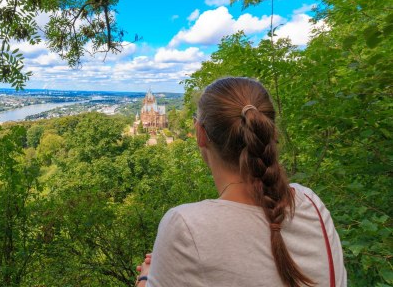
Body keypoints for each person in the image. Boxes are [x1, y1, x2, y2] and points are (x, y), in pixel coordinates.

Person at [136, 77, 346, 287]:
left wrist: (147, 278)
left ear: (200, 133)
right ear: (267, 130)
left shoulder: (185, 226)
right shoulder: (311, 203)